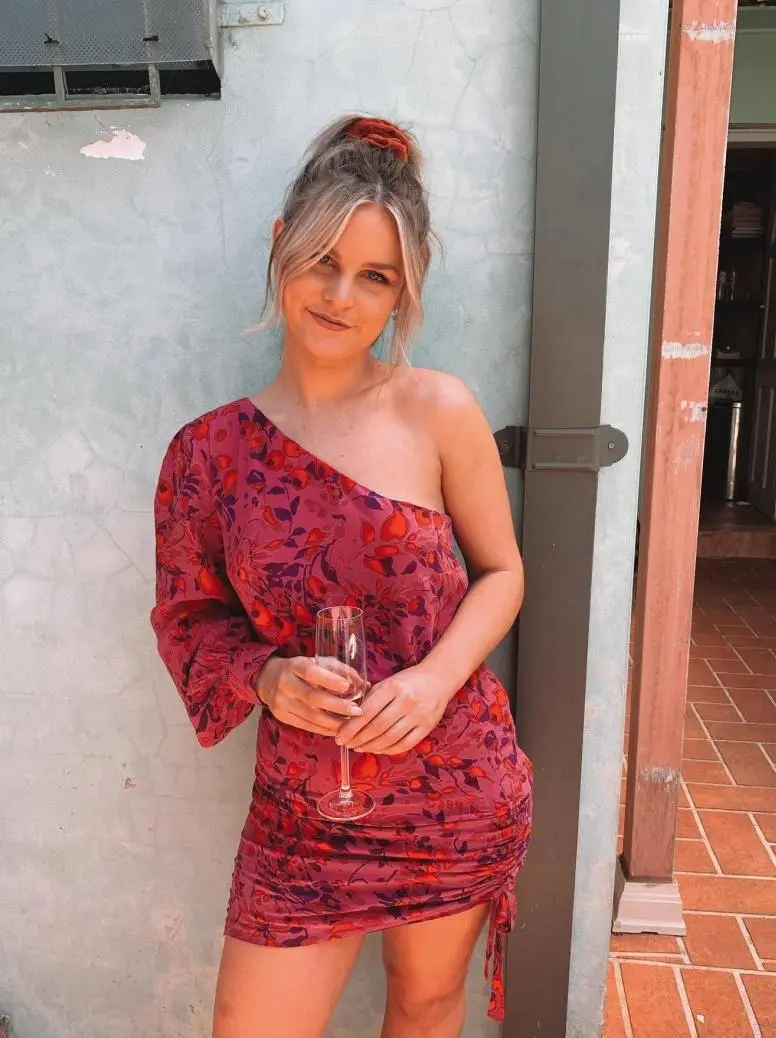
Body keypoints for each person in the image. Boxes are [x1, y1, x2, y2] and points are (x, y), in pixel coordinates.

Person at [151, 115, 533, 1038]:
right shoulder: (208, 452)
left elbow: (503, 572)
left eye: (375, 277)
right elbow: (188, 617)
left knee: (425, 1008)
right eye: (324, 260)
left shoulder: (438, 410)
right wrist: (267, 677)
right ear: (282, 244)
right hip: (301, 805)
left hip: (451, 783)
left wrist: (434, 682)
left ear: (405, 290)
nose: (340, 295)